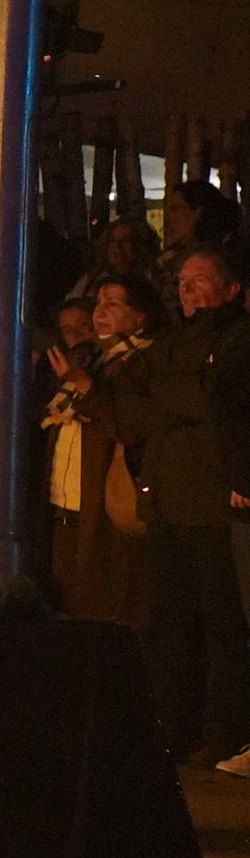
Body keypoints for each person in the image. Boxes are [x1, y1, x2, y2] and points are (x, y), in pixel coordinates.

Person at [114, 243, 247, 765]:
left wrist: (167, 398)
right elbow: (127, 397)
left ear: (231, 289)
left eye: (200, 280)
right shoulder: (171, 342)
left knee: (221, 622)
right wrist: (184, 400)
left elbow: (217, 399)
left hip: (214, 505)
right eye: (183, 281)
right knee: (168, 621)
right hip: (168, 500)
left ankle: (223, 729)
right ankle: (172, 726)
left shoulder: (238, 338)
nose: (188, 289)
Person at [49, 274, 158, 626]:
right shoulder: (92, 357)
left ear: (140, 316)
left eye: (113, 303)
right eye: (98, 302)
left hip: (107, 508)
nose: (101, 310)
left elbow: (128, 426)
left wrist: (84, 384)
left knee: (105, 608)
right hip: (67, 504)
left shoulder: (145, 361)